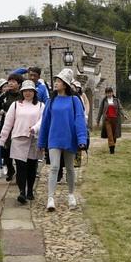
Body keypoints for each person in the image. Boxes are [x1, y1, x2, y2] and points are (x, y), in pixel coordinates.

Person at [37, 68, 89, 212]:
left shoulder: (74, 101)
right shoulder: (50, 101)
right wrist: (41, 142)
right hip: (54, 139)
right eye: (55, 81)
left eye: (58, 81)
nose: (55, 83)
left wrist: (81, 139)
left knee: (70, 168)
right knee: (54, 167)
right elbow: (45, 122)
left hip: (70, 138)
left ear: (65, 84)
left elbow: (79, 120)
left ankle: (71, 194)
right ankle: (50, 197)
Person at [0, 80, 44, 204]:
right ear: (22, 92)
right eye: (25, 91)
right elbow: (8, 123)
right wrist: (2, 139)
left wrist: (35, 128)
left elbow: (42, 121)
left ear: (34, 92)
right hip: (18, 138)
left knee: (31, 166)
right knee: (21, 166)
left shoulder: (40, 105)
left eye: (30, 91)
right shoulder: (16, 105)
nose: (28, 93)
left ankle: (30, 191)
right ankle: (22, 192)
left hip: (33, 139)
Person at [0, 77, 21, 179]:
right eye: (9, 82)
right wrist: (3, 112)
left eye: (13, 81)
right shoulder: (4, 96)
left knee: (17, 148)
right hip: (6, 125)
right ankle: (10, 169)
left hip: (18, 125)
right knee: (5, 149)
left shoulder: (22, 95)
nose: (10, 84)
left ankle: (20, 172)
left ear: (19, 84)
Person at [98, 87, 123, 153]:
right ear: (106, 94)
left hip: (115, 120)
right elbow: (100, 111)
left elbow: (120, 108)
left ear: (112, 93)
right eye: (107, 93)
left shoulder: (116, 100)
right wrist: (98, 120)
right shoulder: (104, 101)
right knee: (110, 134)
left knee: (114, 134)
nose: (109, 94)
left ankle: (113, 145)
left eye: (110, 92)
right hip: (107, 120)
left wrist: (124, 115)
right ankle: (111, 148)